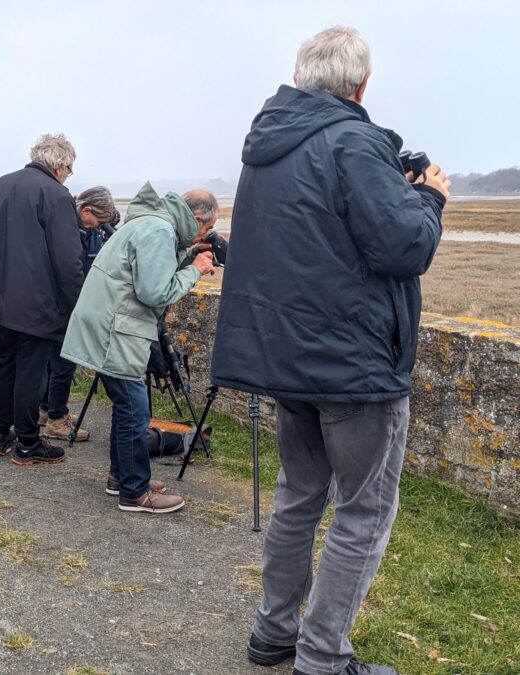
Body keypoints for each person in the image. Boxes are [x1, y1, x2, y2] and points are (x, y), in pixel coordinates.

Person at [210, 27, 449, 675]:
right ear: (360, 84)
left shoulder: (266, 146)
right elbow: (404, 247)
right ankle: (321, 656)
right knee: (364, 509)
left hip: (287, 359)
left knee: (299, 494)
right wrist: (428, 195)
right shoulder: (353, 140)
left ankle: (274, 632)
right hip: (354, 364)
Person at [61, 185, 215, 514]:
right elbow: (154, 293)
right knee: (135, 408)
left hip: (109, 322)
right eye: (207, 228)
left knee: (126, 406)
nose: (206, 235)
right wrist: (195, 270)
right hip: (116, 328)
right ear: (198, 218)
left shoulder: (150, 222)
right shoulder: (158, 229)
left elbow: (145, 273)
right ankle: (135, 492)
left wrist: (185, 256)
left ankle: (121, 477)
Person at [0, 133, 85, 465]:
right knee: (31, 372)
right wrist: (76, 300)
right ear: (60, 165)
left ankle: (0, 434)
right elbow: (68, 258)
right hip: (36, 302)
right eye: (69, 169)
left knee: (4, 365)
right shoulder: (56, 194)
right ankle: (28, 442)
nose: (68, 174)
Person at [39, 186, 120, 441]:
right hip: (63, 306)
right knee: (63, 364)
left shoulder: (89, 230)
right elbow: (69, 273)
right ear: (86, 210)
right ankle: (56, 421)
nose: (100, 226)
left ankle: (47, 410)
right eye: (99, 220)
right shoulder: (67, 231)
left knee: (54, 364)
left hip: (65, 305)